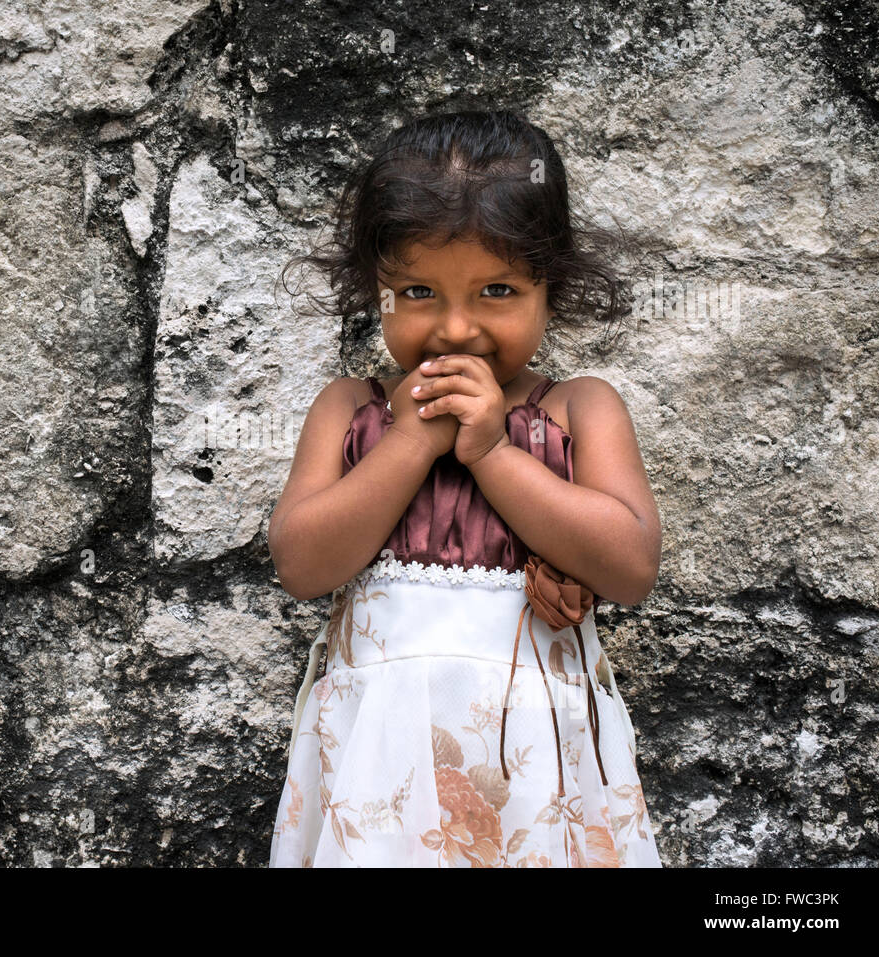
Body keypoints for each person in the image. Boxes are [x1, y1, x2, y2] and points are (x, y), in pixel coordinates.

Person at [266, 110, 664, 867]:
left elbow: (632, 564)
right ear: (373, 290)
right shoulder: (351, 410)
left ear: (552, 286)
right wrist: (412, 441)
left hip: (533, 769)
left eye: (497, 290)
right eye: (417, 290)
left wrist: (491, 453)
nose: (455, 328)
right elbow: (302, 564)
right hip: (380, 764)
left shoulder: (578, 408)